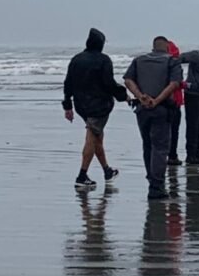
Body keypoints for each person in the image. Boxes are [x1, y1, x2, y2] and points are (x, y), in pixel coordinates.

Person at [62, 28, 127, 188]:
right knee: (91, 137)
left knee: (97, 136)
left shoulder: (76, 59)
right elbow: (109, 83)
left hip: (81, 105)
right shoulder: (104, 60)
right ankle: (82, 175)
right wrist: (123, 95)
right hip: (99, 106)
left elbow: (68, 83)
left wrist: (67, 105)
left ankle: (107, 170)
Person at [123, 36, 184, 199]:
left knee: (147, 145)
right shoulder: (172, 61)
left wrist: (141, 96)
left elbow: (127, 80)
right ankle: (156, 186)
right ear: (167, 48)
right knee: (160, 147)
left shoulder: (139, 60)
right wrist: (156, 100)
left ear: (153, 47)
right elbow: (175, 84)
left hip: (142, 110)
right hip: (161, 110)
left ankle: (152, 181)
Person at [166, 40, 186, 166]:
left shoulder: (159, 64)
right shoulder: (175, 64)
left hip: (161, 101)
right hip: (175, 102)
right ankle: (172, 156)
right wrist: (186, 85)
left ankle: (164, 155)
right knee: (174, 131)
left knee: (163, 131)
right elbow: (177, 83)